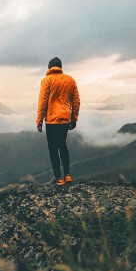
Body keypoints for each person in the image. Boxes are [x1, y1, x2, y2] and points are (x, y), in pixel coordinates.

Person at [36, 57, 80, 186]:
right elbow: (76, 101)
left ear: (49, 68)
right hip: (65, 119)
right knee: (63, 145)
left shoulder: (46, 80)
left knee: (53, 148)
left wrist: (39, 120)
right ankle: (68, 175)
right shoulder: (70, 80)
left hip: (51, 120)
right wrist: (74, 118)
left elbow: (43, 102)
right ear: (60, 67)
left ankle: (58, 178)